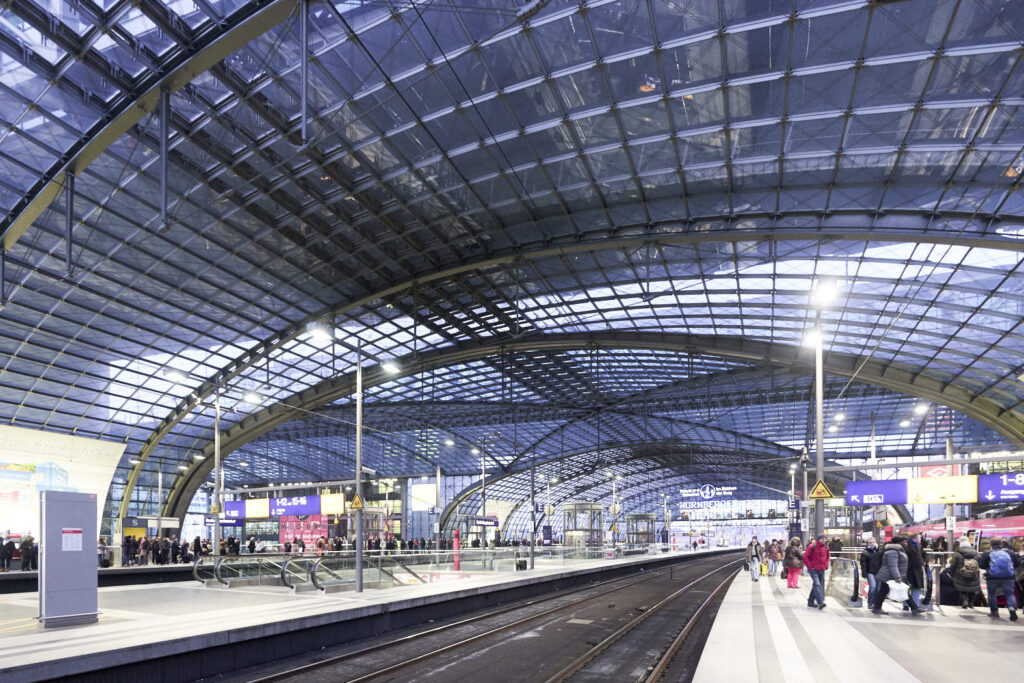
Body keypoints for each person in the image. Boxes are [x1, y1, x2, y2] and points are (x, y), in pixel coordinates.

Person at [872, 536, 919, 615]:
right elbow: (893, 565)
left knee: (885, 591)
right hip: (889, 576)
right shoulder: (892, 551)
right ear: (899, 543)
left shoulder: (898, 550)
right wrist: (897, 577)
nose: (906, 543)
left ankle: (914, 608)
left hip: (892, 575)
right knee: (887, 591)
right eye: (904, 542)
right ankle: (914, 608)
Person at [979, 538, 1020, 621]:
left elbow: (981, 565)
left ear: (991, 544)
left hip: (992, 577)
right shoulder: (1010, 552)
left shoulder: (987, 553)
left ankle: (994, 611)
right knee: (1009, 594)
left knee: (992, 594)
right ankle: (1012, 608)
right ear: (1001, 544)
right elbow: (1017, 564)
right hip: (1008, 577)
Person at [949, 538, 982, 608]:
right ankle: (971, 602)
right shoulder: (976, 553)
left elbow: (953, 566)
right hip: (974, 574)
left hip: (961, 575)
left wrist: (952, 574)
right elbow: (980, 563)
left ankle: (965, 600)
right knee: (973, 588)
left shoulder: (957, 554)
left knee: (962, 588)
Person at [804, 534, 830, 609]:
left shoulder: (826, 547)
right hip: (814, 569)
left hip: (822, 569)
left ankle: (810, 601)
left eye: (825, 538)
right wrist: (810, 567)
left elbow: (828, 557)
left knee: (815, 585)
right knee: (817, 585)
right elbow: (805, 557)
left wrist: (826, 565)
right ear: (818, 539)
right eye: (822, 539)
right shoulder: (812, 546)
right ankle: (820, 602)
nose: (824, 540)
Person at [904, 533, 927, 612]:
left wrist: (924, 561)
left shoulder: (919, 546)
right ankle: (907, 605)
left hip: (917, 570)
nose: (920, 540)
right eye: (919, 538)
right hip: (910, 570)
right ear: (914, 538)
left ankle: (915, 605)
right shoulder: (907, 546)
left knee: (916, 588)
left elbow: (924, 554)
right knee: (908, 588)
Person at [859, 537, 882, 606]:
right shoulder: (865, 552)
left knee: (878, 588)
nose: (872, 544)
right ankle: (870, 603)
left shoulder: (880, 551)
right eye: (870, 542)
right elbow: (863, 564)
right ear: (867, 544)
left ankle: (876, 603)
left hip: (879, 572)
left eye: (873, 542)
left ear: (875, 542)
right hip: (870, 572)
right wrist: (864, 573)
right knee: (873, 586)